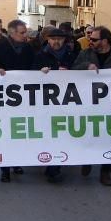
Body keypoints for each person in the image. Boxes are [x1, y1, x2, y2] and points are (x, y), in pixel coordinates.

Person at [73, 26, 111, 186]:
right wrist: (86, 67)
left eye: (94, 39)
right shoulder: (85, 54)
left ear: (105, 41)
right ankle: (87, 160)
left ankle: (105, 172)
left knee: (109, 138)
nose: (90, 41)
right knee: (89, 134)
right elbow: (73, 70)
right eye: (90, 39)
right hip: (90, 103)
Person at [0, 20, 35, 182]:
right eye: (22, 33)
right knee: (6, 135)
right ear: (12, 33)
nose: (25, 35)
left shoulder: (29, 48)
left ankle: (17, 162)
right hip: (4, 101)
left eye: (25, 32)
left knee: (19, 134)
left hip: (23, 100)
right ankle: (5, 169)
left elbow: (35, 67)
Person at [33, 28, 78, 183]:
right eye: (53, 39)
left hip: (67, 101)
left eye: (59, 39)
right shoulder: (40, 55)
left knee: (61, 134)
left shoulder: (72, 55)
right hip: (46, 102)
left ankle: (54, 167)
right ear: (48, 40)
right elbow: (29, 75)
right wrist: (39, 72)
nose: (56, 42)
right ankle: (50, 164)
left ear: (64, 40)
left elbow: (81, 73)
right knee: (48, 134)